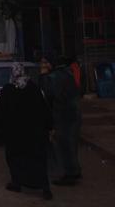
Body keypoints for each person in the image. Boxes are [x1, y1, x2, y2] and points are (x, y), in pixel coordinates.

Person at [0, 63, 53, 201]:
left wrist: (1, 129)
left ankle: (17, 183)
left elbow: (1, 112)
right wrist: (49, 126)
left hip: (15, 134)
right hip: (35, 133)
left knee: (15, 158)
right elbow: (43, 108)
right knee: (38, 160)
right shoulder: (33, 88)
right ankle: (45, 188)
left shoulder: (8, 90)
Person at [41, 56, 82, 186]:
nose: (43, 65)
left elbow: (49, 92)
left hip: (64, 114)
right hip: (73, 113)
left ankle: (69, 175)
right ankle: (74, 170)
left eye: (45, 62)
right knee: (71, 143)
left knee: (63, 145)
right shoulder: (67, 73)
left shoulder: (55, 77)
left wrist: (43, 76)